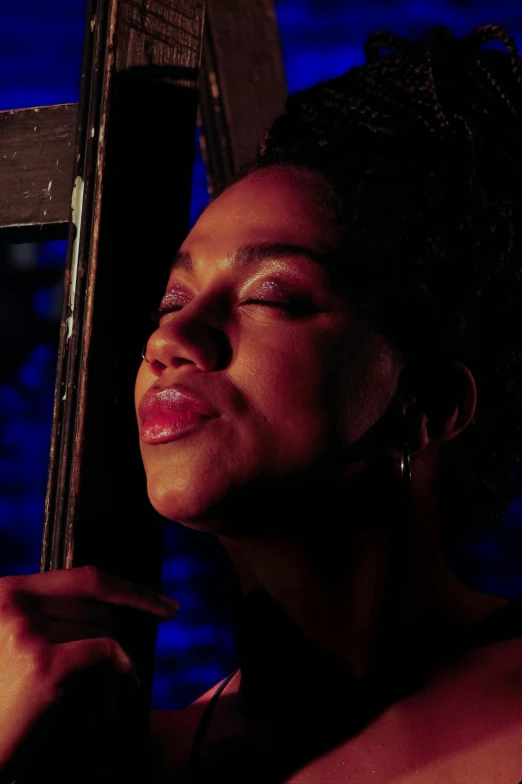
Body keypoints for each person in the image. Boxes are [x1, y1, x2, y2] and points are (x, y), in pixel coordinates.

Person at [1, 21, 522, 784]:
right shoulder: (123, 759)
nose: (173, 339)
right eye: (171, 299)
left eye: (270, 294)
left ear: (432, 404)